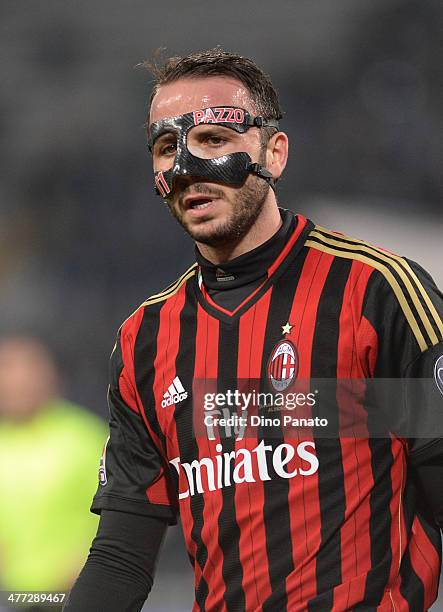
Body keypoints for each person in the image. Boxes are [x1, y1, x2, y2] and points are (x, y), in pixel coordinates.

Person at [64, 49, 443, 611]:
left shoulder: (377, 290)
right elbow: (122, 553)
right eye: (169, 148)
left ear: (275, 152)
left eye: (215, 140)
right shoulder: (145, 338)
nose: (189, 166)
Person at [0, 335, 107, 610]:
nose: (16, 384)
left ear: (49, 377)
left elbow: (131, 513)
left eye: (26, 373)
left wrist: (91, 564)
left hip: (72, 594)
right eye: (7, 373)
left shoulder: (86, 439)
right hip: (9, 595)